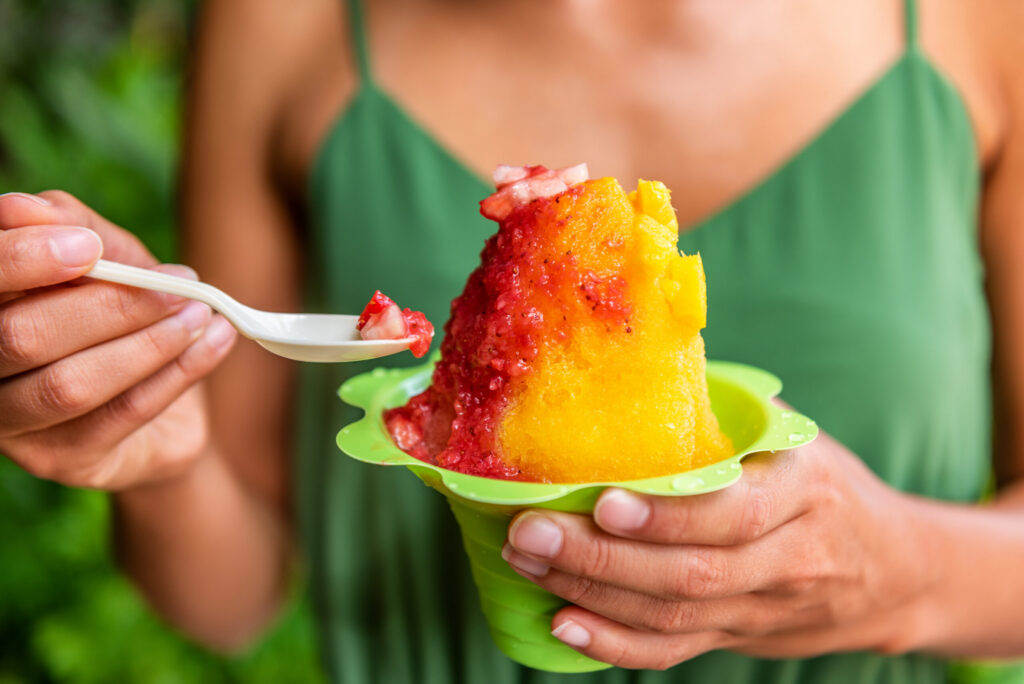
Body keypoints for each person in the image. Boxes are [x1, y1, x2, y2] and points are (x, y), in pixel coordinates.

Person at [1, 0, 1022, 681]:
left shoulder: (982, 24)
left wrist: (904, 574)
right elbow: (229, 602)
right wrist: (161, 458)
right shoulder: (282, 21)